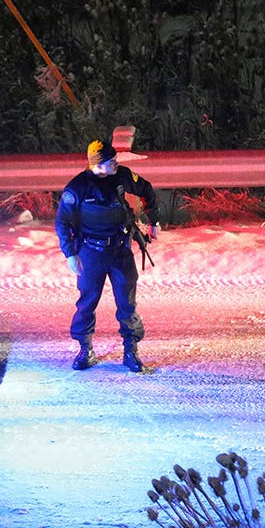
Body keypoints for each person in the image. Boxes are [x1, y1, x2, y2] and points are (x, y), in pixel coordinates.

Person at [55, 139, 159, 372]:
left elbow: (147, 190)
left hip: (120, 250)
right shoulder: (78, 187)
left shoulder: (121, 176)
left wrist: (154, 221)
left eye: (115, 159)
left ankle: (130, 350)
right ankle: (85, 349)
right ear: (97, 164)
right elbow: (62, 222)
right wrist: (70, 254)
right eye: (111, 161)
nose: (116, 163)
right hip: (90, 252)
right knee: (86, 302)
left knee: (127, 303)